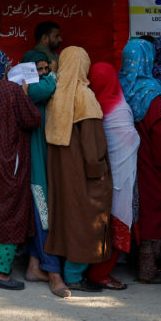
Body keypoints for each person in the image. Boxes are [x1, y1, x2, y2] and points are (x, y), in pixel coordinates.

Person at [43, 46, 111, 293]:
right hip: (84, 174)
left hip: (60, 174)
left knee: (67, 219)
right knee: (85, 219)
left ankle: (67, 271)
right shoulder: (84, 95)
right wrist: (99, 172)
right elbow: (92, 145)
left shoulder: (56, 94)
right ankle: (74, 275)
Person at [0, 51, 42, 290]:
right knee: (10, 211)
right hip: (9, 158)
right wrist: (24, 95)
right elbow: (32, 119)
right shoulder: (11, 89)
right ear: (5, 68)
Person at [118, 38, 161, 284]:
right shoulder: (153, 91)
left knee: (132, 206)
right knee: (154, 209)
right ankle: (148, 268)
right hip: (151, 159)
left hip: (125, 157)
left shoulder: (118, 85)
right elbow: (159, 131)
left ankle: (131, 257)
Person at [86, 62, 140, 290]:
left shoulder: (92, 105)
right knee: (119, 222)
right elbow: (130, 140)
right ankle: (100, 274)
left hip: (101, 178)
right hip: (121, 178)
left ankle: (95, 270)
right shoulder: (119, 107)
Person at [19, 51, 67, 296]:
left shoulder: (38, 86)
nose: (43, 74)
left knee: (42, 215)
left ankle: (34, 266)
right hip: (32, 165)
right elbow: (43, 89)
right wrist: (56, 73)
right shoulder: (28, 87)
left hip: (43, 162)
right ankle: (54, 272)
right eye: (37, 69)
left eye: (45, 69)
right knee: (43, 215)